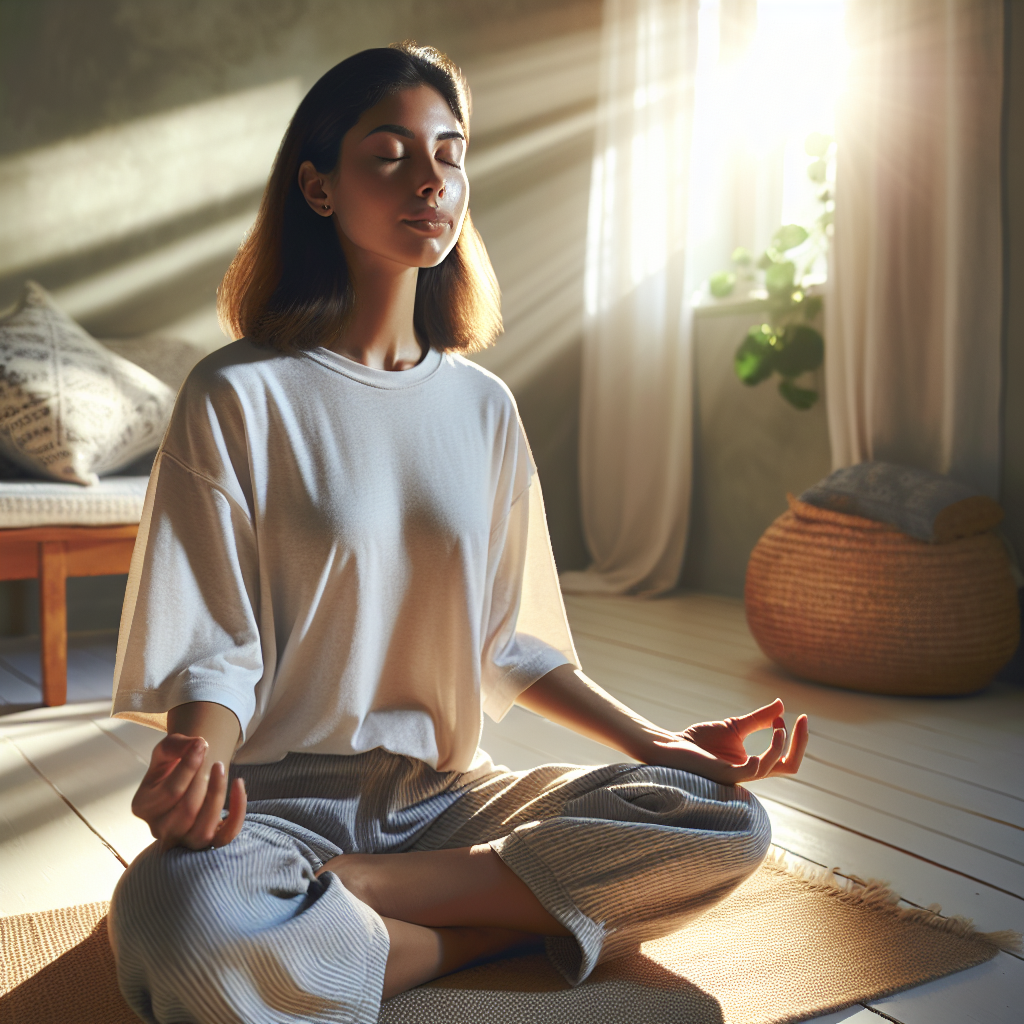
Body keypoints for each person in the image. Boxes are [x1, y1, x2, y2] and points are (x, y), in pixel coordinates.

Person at [107, 42, 809, 1024]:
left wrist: (655, 741)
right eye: (389, 153)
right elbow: (218, 655)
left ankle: (360, 915)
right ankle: (496, 929)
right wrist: (198, 762)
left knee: (725, 817)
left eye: (449, 151)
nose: (430, 177)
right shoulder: (236, 394)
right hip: (276, 812)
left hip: (448, 803)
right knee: (174, 910)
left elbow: (505, 641)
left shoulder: (482, 406)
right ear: (318, 187)